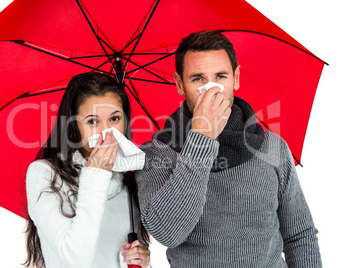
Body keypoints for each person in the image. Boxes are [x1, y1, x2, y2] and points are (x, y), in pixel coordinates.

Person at [135, 31, 322, 267]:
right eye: (198, 79)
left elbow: (300, 236)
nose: (211, 89)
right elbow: (167, 233)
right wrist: (202, 136)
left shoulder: (272, 147)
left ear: (236, 78)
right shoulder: (155, 154)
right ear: (179, 84)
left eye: (220, 76)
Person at [24, 72, 151, 268]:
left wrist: (140, 262)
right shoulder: (44, 174)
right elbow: (75, 258)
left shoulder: (128, 176)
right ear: (74, 124)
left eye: (115, 118)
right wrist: (96, 173)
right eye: (92, 121)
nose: (106, 131)